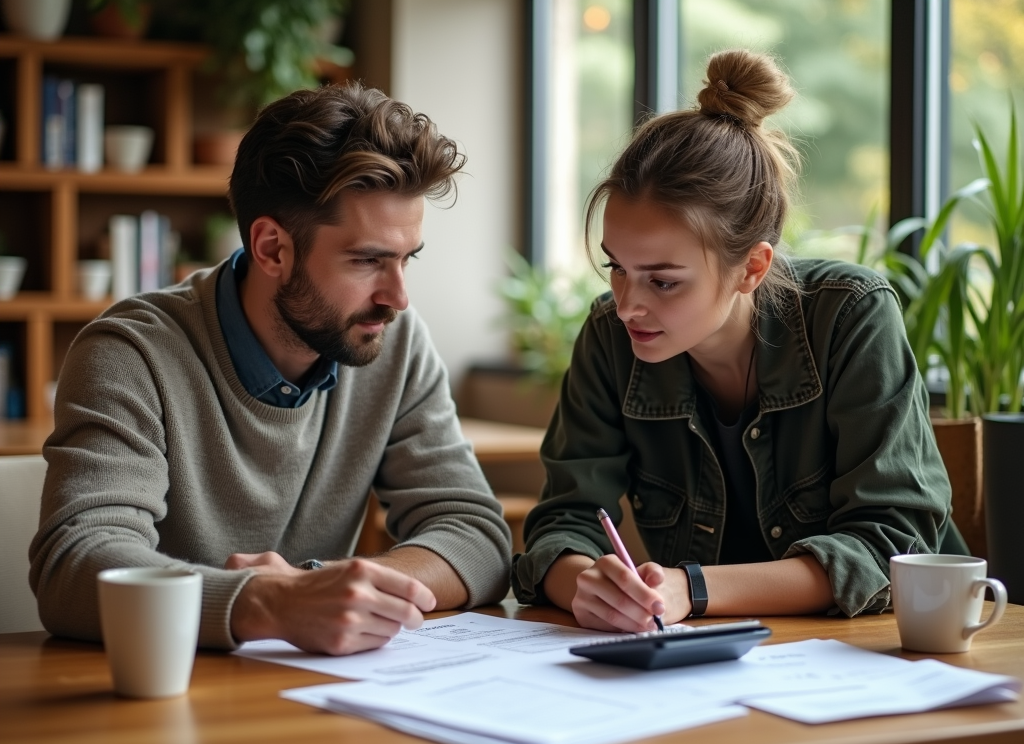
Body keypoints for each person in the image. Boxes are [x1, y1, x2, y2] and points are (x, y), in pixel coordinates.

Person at [30, 83, 512, 655]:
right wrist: (268, 602)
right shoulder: (132, 354)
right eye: (367, 261)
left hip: (317, 703)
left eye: (407, 259)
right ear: (272, 249)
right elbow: (75, 563)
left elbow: (477, 536)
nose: (398, 297)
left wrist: (329, 586)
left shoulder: (394, 343)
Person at [510, 49, 967, 633]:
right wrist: (590, 585)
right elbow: (563, 522)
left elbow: (891, 546)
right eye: (617, 267)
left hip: (874, 651)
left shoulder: (851, 315)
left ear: (752, 268)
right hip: (708, 660)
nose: (627, 305)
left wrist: (690, 589)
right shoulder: (609, 336)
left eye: (664, 280)